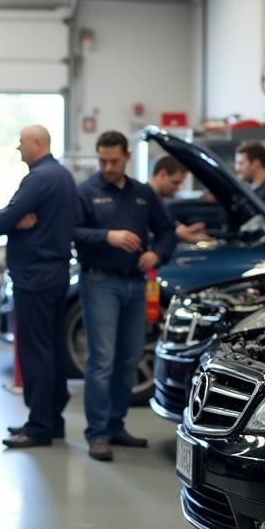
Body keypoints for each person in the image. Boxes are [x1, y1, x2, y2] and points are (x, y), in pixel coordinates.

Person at [74, 131, 177, 461]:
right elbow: (71, 232)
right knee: (101, 360)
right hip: (99, 283)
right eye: (102, 161)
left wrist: (156, 255)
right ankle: (98, 433)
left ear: (127, 157)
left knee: (129, 359)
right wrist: (108, 236)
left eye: (113, 161)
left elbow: (167, 232)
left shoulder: (143, 194)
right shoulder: (86, 192)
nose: (107, 167)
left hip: (135, 284)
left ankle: (116, 425)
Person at [0, 125, 78, 449]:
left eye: (22, 143)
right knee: (52, 349)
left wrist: (10, 219)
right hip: (53, 274)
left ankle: (39, 426)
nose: (18, 148)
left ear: (37, 144)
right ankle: (52, 421)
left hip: (34, 278)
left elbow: (1, 222)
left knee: (36, 351)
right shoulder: (62, 176)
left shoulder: (39, 179)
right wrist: (15, 219)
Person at [148, 156, 213, 244]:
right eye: (175, 182)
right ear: (163, 174)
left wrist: (183, 232)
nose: (177, 188)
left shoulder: (162, 204)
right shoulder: (140, 200)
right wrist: (177, 234)